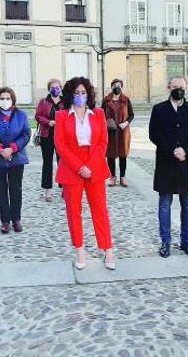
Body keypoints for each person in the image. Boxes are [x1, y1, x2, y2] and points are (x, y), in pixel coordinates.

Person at [54, 77, 116, 270]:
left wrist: (90, 165)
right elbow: (60, 145)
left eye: (83, 93)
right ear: (70, 95)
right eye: (76, 93)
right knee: (74, 212)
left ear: (88, 94)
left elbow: (102, 143)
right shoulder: (62, 115)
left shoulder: (97, 114)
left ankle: (107, 249)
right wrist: (79, 166)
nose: (80, 96)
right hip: (72, 167)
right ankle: (80, 249)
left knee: (100, 210)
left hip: (94, 164)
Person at [149, 76, 188, 258]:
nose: (178, 90)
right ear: (168, 87)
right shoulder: (159, 110)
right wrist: (172, 149)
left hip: (186, 164)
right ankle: (165, 242)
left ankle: (185, 241)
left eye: (181, 87)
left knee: (187, 205)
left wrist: (185, 150)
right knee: (165, 205)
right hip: (166, 163)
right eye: (175, 87)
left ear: (185, 88)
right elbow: (154, 134)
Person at [0, 87, 31, 234]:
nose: (5, 101)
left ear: (13, 100)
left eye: (8, 98)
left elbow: (26, 134)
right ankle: (5, 221)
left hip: (17, 158)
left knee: (16, 189)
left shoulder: (21, 115)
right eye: (2, 98)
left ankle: (16, 219)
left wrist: (13, 148)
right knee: (1, 190)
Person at [102, 79, 135, 188]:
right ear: (111, 87)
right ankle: (113, 177)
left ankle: (122, 177)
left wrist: (125, 123)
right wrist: (107, 121)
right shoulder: (106, 100)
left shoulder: (125, 100)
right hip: (111, 131)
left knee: (123, 154)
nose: (117, 87)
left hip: (123, 131)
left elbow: (131, 114)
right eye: (115, 85)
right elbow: (101, 114)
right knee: (111, 155)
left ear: (121, 87)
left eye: (119, 85)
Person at [35, 78, 64, 201]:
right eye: (52, 87)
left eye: (57, 87)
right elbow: (38, 116)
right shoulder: (44, 102)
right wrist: (49, 122)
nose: (55, 89)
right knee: (47, 163)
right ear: (49, 89)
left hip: (62, 136)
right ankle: (47, 191)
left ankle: (64, 188)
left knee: (62, 163)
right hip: (47, 136)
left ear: (61, 88)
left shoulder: (64, 102)